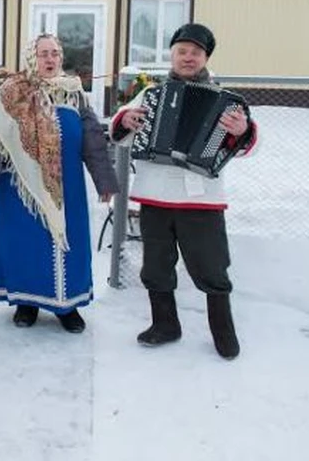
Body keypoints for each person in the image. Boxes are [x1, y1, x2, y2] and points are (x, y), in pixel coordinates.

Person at [110, 23, 259, 359]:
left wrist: (244, 129)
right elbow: (119, 131)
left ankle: (223, 333)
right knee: (156, 266)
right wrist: (126, 120)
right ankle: (165, 325)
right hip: (155, 197)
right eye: (182, 51)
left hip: (200, 200)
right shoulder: (149, 93)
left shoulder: (226, 101)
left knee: (211, 267)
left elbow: (250, 146)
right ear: (172, 55)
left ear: (205, 58)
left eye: (195, 53)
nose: (188, 58)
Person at [0, 34, 119, 333]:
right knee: (24, 244)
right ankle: (27, 303)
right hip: (19, 187)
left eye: (55, 53)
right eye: (43, 54)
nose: (50, 60)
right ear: (31, 58)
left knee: (69, 244)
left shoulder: (74, 93)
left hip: (68, 188)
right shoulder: (12, 91)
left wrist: (104, 179)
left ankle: (68, 307)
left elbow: (92, 140)